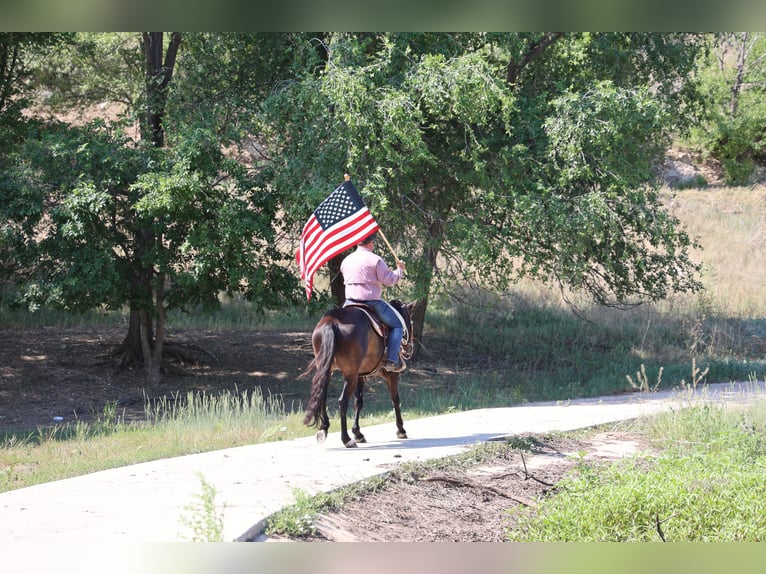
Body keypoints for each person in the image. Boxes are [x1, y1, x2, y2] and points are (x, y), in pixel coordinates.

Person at [341, 232, 407, 372]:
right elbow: (388, 280)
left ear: (358, 244)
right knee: (397, 326)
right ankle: (391, 360)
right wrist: (399, 270)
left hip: (349, 303)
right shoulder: (375, 260)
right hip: (371, 303)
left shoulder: (346, 260)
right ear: (371, 243)